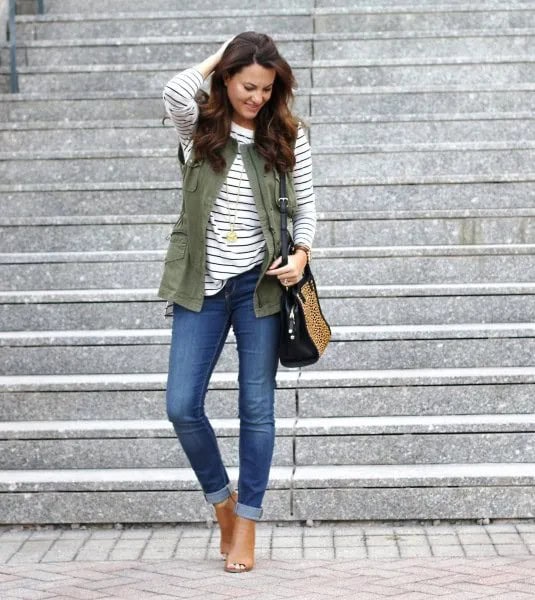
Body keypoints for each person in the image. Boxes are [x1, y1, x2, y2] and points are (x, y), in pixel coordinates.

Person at [158, 31, 316, 573]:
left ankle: (247, 520)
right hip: (200, 283)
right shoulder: (198, 129)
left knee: (257, 409)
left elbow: (308, 207)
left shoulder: (287, 136)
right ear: (226, 79)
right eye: (248, 86)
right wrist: (223, 49)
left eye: (267, 90)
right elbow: (176, 90)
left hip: (261, 286)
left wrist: (300, 255)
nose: (258, 98)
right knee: (181, 405)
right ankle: (221, 502)